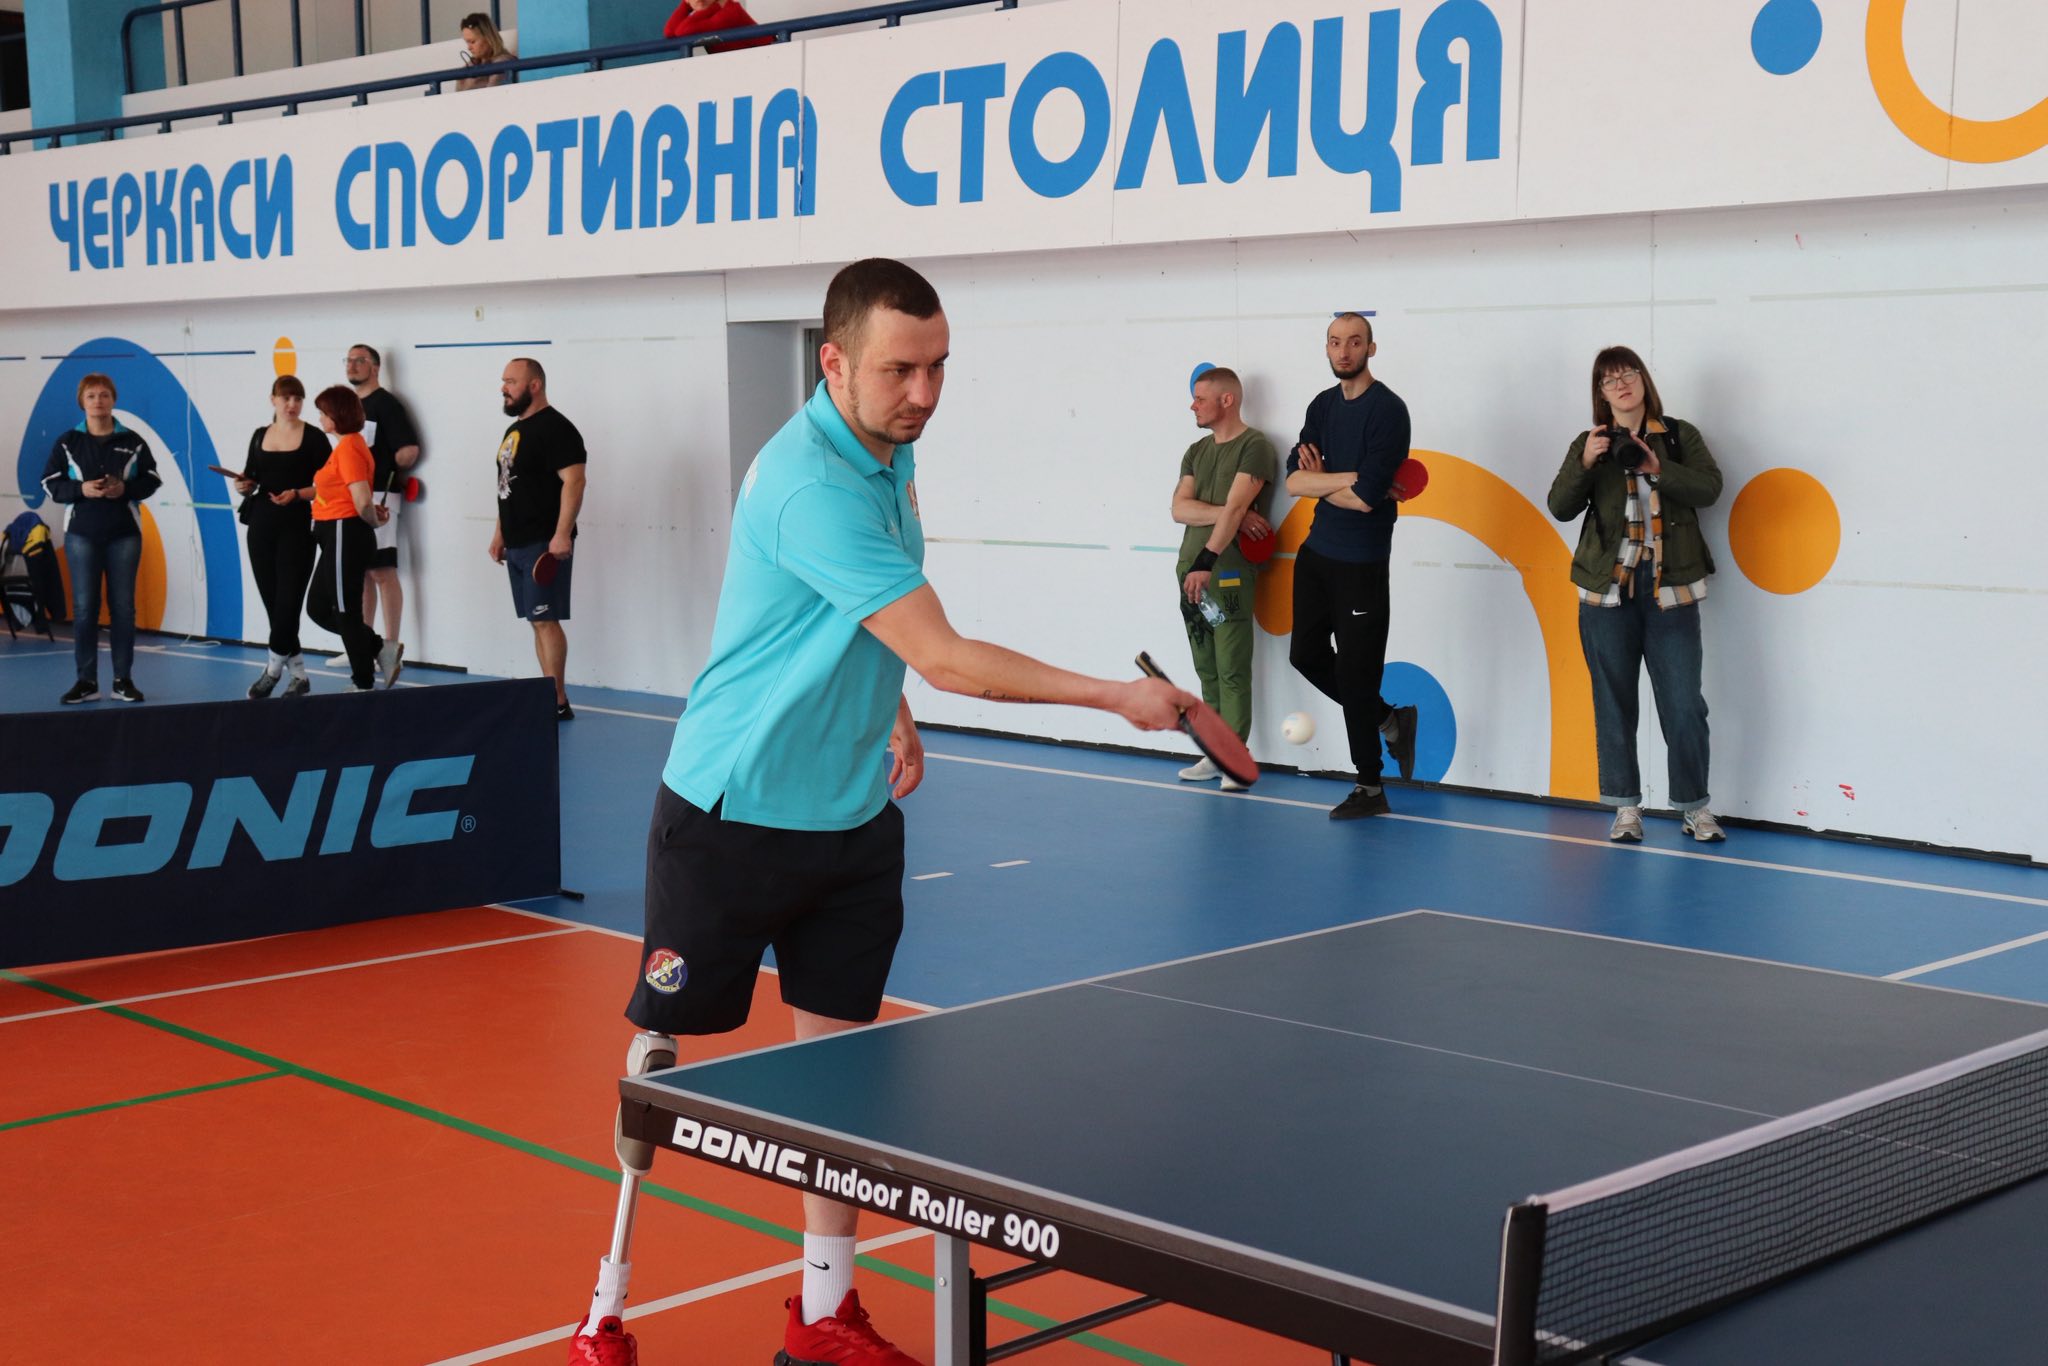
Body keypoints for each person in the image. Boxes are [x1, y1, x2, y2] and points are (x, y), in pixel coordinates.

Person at [572, 259, 1193, 1366]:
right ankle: (605, 1306)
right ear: (833, 363)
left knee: (840, 1080)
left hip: (852, 816)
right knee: (664, 1057)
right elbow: (947, 654)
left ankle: (822, 1315)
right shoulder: (808, 483)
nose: (924, 393)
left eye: (939, 366)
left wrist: (887, 706)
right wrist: (1113, 696)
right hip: (732, 813)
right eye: (901, 370)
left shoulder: (887, 456)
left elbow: (855, 619)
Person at [1547, 348, 1726, 843]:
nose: (1621, 384)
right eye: (1609, 380)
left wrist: (1657, 466)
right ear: (1600, 393)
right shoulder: (1590, 442)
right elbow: (1559, 506)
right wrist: (1586, 461)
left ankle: (1694, 807)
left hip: (1670, 586)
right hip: (1608, 590)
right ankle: (1626, 808)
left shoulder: (1679, 435)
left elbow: (1710, 489)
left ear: (1643, 380)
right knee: (1614, 702)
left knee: (1684, 703)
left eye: (1628, 374)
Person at [1284, 313, 1419, 819]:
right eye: (1335, 342)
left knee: (1356, 673)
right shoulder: (1321, 405)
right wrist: (1350, 478)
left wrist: (1329, 481)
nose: (1344, 351)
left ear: (1371, 348)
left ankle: (1370, 786)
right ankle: (1388, 719)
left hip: (1362, 563)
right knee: (1305, 655)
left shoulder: (1389, 411)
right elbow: (1294, 482)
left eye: (1354, 342)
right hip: (1317, 555)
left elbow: (1365, 501)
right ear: (1326, 348)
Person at [1169, 367, 1276, 790]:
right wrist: (1233, 515)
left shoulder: (1255, 447)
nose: (1192, 406)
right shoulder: (1195, 450)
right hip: (1189, 572)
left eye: (1200, 398)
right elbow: (1179, 509)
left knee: (1231, 667)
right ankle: (1214, 752)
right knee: (1207, 668)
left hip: (1225, 574)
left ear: (1226, 400)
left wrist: (1228, 522)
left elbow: (1235, 506)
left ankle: (1235, 756)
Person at [41, 372, 161, 705]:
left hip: (124, 535)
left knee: (123, 608)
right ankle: (86, 681)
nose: (98, 401)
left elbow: (152, 479)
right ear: (82, 401)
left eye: (104, 395)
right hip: (81, 535)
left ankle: (123, 680)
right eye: (92, 396)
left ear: (113, 399)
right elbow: (49, 483)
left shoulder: (133, 440)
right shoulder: (68, 441)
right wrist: (81, 489)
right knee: (84, 609)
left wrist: (125, 489)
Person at [488, 357, 585, 721]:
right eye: (503, 381)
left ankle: (557, 700)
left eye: (511, 381)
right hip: (516, 542)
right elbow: (508, 486)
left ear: (534, 385)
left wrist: (561, 534)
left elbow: (575, 481)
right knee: (536, 620)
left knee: (546, 619)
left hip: (544, 542)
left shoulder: (557, 428)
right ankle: (549, 694)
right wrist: (499, 533)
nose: (504, 388)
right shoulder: (514, 431)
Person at [299, 386, 403, 692]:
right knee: (318, 607)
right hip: (335, 533)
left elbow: (361, 500)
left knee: (346, 611)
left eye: (323, 413)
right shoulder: (345, 447)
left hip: (345, 531)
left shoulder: (350, 448)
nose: (320, 418)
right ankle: (379, 647)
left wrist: (373, 520)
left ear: (336, 415)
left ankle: (363, 683)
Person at [236, 375, 329, 698]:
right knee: (275, 606)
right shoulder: (259, 435)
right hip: (261, 525)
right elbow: (251, 476)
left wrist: (299, 493)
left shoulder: (314, 438)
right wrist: (243, 485)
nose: (292, 404)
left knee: (289, 602)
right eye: (286, 398)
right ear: (273, 400)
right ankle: (299, 675)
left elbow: (329, 484)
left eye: (297, 399)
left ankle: (272, 670)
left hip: (298, 526)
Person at [344, 344, 421, 663]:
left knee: (382, 571)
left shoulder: (386, 404)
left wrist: (386, 465)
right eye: (349, 360)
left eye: (359, 360)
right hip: (352, 495)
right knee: (361, 572)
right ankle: (364, 645)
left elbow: (408, 450)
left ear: (375, 367)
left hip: (379, 496)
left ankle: (390, 649)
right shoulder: (349, 407)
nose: (352, 365)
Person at [661, 0, 772, 51]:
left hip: (772, 58)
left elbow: (683, 32)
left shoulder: (732, 11)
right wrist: (687, 3)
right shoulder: (708, 14)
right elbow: (669, 32)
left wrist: (715, 6)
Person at [455, 12, 515, 91]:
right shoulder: (467, 68)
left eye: (473, 42)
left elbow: (492, 94)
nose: (469, 48)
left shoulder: (503, 63)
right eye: (467, 42)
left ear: (488, 38)